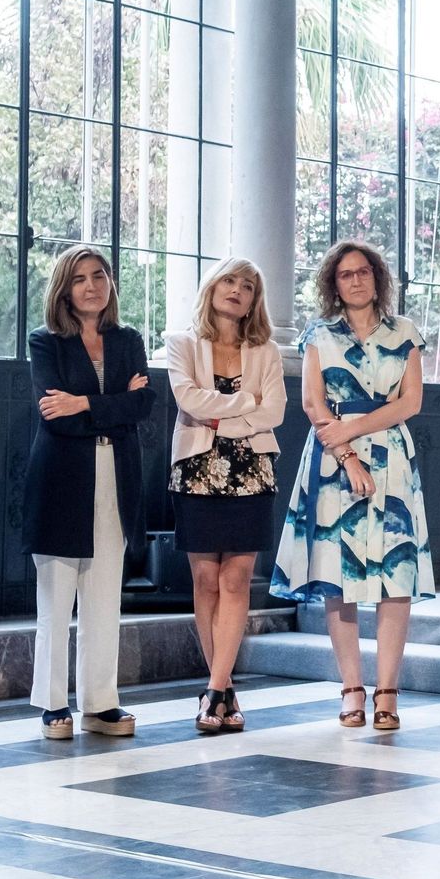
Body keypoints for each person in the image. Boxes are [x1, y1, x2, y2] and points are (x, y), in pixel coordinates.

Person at [271, 241, 435, 731]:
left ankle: (388, 693)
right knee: (335, 579)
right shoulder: (318, 335)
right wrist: (345, 451)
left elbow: (410, 404)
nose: (356, 280)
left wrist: (354, 429)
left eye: (364, 271)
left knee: (395, 576)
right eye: (346, 274)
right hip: (332, 461)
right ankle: (351, 691)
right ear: (333, 284)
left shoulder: (404, 331)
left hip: (390, 460)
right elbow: (312, 404)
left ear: (377, 278)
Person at [21, 246, 156, 739]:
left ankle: (100, 704)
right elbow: (52, 412)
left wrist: (84, 402)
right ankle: (53, 703)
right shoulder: (46, 342)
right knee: (56, 597)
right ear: (64, 288)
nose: (91, 286)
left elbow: (144, 405)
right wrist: (110, 405)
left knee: (104, 595)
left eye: (99, 276)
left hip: (117, 474)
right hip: (61, 475)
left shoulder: (128, 340)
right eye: (79, 279)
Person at [165, 257, 286, 733]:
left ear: (255, 300)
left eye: (248, 286)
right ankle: (223, 689)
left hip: (252, 470)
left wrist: (221, 414)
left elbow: (273, 412)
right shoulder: (181, 344)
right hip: (196, 469)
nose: (237, 290)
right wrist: (245, 405)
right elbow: (188, 401)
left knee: (236, 582)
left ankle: (215, 689)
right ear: (212, 287)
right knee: (205, 582)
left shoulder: (268, 351)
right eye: (229, 280)